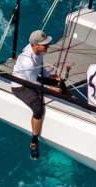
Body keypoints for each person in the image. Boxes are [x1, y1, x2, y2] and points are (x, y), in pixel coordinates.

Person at [11, 29, 62, 160]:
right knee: (38, 109)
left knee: (60, 83)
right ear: (34, 45)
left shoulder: (39, 51)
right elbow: (32, 83)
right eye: (44, 44)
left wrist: (49, 76)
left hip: (33, 78)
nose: (47, 46)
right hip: (21, 85)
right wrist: (49, 88)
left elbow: (40, 67)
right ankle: (34, 141)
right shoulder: (27, 61)